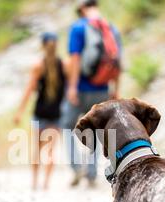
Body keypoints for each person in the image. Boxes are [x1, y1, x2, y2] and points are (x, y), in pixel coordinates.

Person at [61, 0, 122, 188]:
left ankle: (77, 167)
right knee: (95, 130)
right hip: (103, 89)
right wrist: (115, 89)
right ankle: (92, 173)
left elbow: (75, 59)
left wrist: (72, 87)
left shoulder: (78, 28)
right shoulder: (110, 28)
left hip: (80, 88)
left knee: (67, 126)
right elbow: (117, 61)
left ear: (80, 9)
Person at [14, 32, 67, 190]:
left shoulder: (38, 66)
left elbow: (29, 90)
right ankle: (46, 184)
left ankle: (35, 183)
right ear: (56, 45)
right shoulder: (63, 65)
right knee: (51, 151)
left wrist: (19, 112)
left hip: (40, 113)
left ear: (42, 46)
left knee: (36, 150)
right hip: (56, 114)